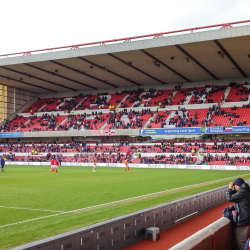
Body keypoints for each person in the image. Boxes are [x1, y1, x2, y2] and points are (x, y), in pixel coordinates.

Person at [226, 178, 250, 250]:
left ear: (238, 186)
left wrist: (230, 189)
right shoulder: (245, 190)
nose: (234, 187)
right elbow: (236, 196)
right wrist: (233, 190)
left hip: (242, 220)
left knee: (240, 242)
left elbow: (229, 198)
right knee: (242, 240)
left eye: (235, 186)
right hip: (245, 218)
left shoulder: (243, 192)